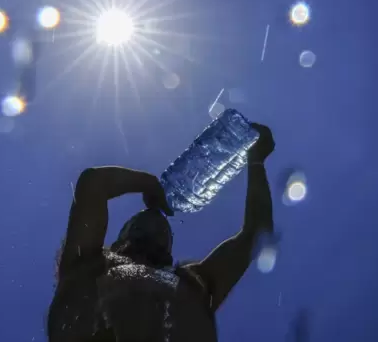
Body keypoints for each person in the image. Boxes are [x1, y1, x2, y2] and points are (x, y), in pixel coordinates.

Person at [48, 123, 275, 342]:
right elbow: (92, 183)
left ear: (169, 250)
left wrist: (256, 161)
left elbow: (257, 233)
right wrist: (148, 183)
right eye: (136, 224)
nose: (152, 222)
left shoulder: (195, 281)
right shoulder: (87, 261)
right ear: (117, 242)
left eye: (161, 230)